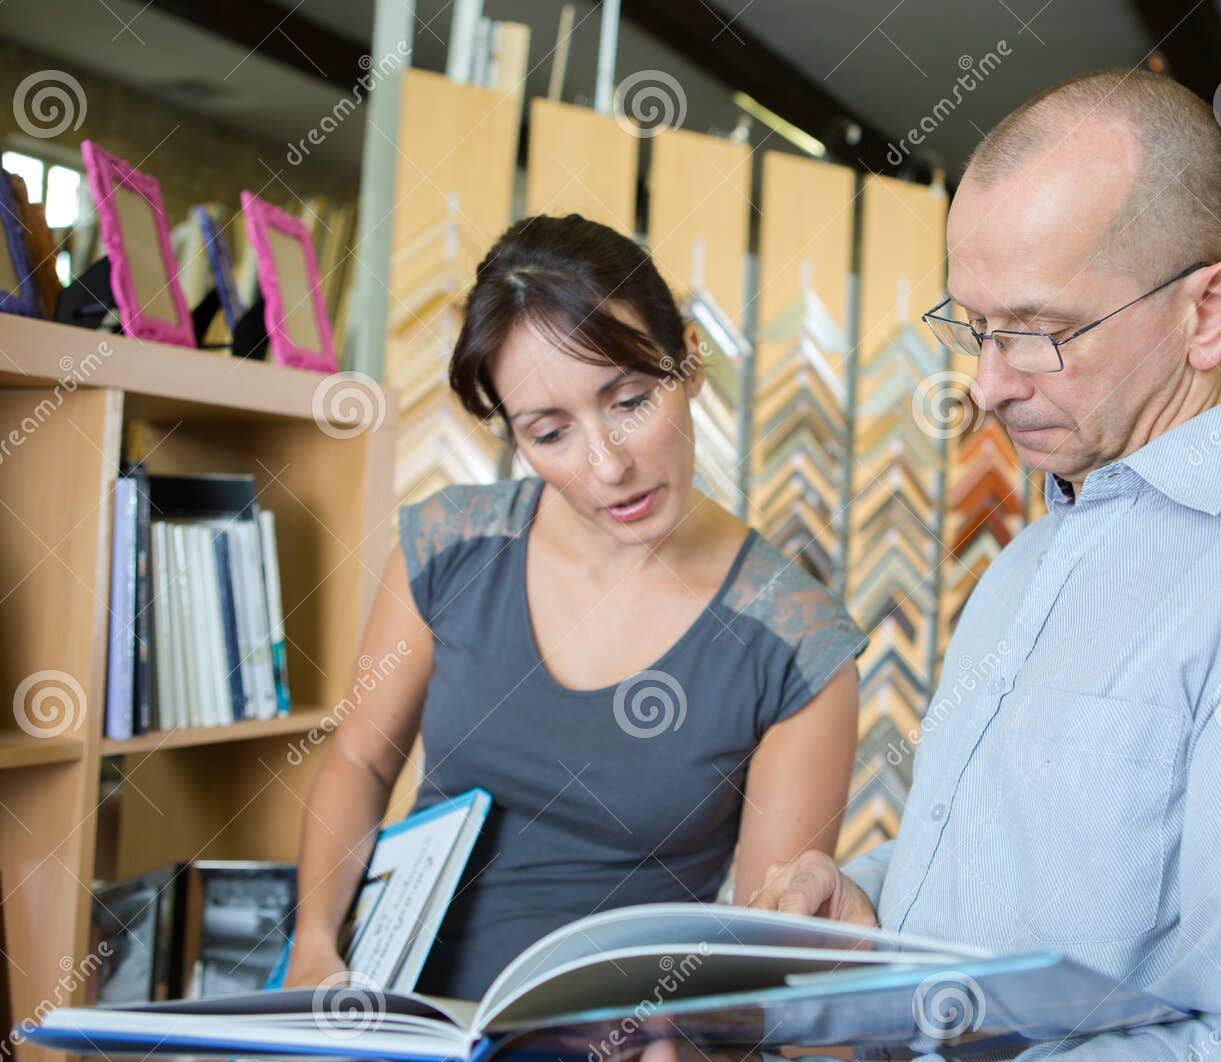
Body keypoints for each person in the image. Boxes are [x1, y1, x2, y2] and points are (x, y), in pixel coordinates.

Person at [643, 68, 1221, 1062]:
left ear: (1209, 311)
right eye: (973, 325)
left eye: (1040, 333)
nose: (987, 384)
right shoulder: (1037, 550)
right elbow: (992, 923)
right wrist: (855, 922)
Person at [284, 214, 868, 1000]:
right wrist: (316, 945)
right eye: (551, 431)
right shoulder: (451, 545)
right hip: (390, 1015)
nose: (608, 464)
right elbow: (360, 759)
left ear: (688, 360)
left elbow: (761, 947)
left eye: (629, 400)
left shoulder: (795, 641)